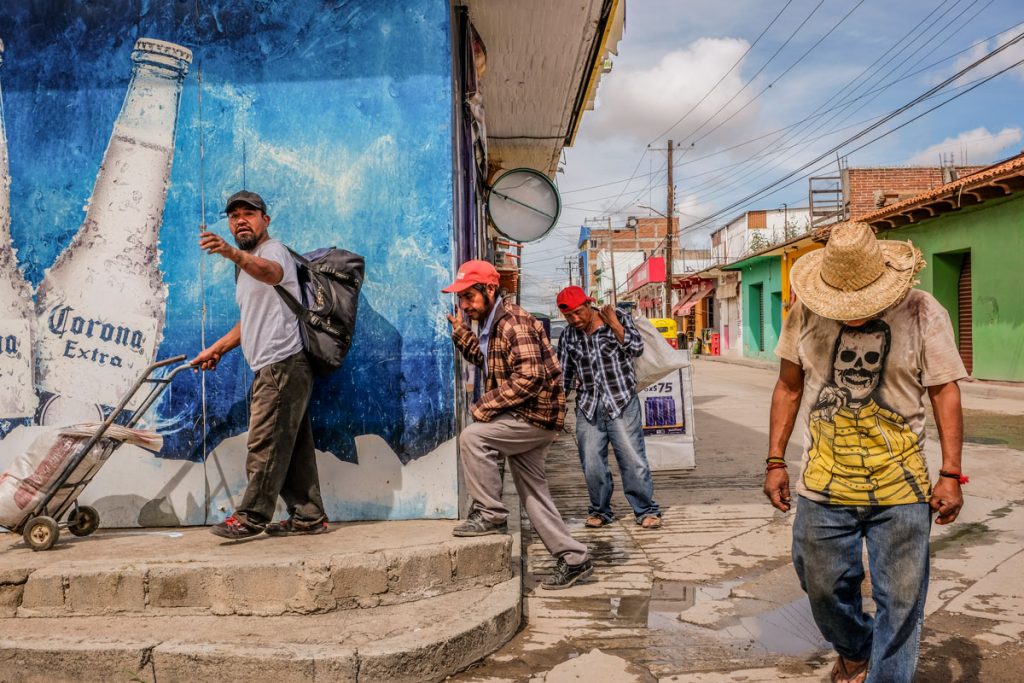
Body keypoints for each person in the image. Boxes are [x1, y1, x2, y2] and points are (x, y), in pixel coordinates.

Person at [764, 221, 967, 683]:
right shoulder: (805, 312)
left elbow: (944, 392)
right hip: (821, 486)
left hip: (902, 491)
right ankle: (855, 649)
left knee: (902, 600)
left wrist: (951, 472)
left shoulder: (921, 312)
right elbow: (788, 386)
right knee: (821, 585)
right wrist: (775, 459)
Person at [443, 260, 593, 589]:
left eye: (469, 297)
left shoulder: (513, 322)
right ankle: (574, 558)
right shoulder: (491, 323)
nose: (464, 305)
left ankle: (489, 513)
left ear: (490, 290)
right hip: (527, 415)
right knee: (534, 494)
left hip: (536, 416)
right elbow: (489, 360)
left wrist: (485, 405)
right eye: (461, 299)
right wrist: (463, 336)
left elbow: (530, 376)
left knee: (473, 437)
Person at [192, 190, 328, 539]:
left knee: (265, 443)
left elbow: (271, 273)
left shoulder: (272, 251)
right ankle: (308, 516)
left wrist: (231, 253)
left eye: (249, 214)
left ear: (264, 220)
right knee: (292, 446)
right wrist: (218, 349)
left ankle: (251, 516)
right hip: (274, 367)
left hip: (282, 363)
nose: (240, 220)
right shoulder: (245, 268)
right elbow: (250, 320)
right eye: (234, 215)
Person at [555, 286, 662, 529]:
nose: (575, 319)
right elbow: (564, 376)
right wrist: (557, 411)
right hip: (588, 406)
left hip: (622, 402)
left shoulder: (618, 319)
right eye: (569, 316)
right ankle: (600, 510)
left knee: (633, 459)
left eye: (578, 312)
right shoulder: (569, 335)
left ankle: (645, 509)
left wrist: (614, 324)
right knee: (591, 462)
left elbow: (636, 348)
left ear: (589, 305)